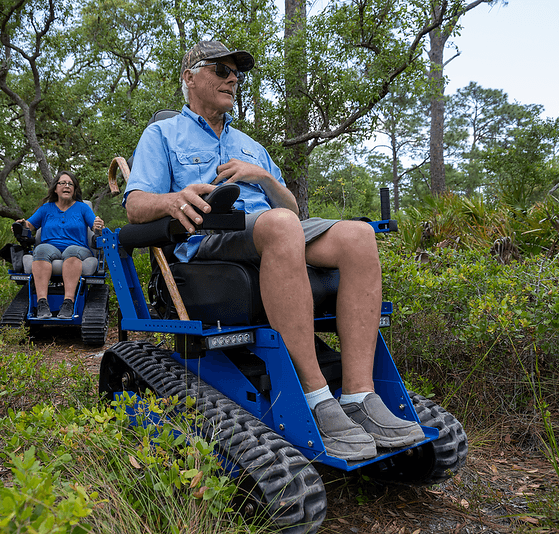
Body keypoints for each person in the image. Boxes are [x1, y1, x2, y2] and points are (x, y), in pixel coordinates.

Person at [123, 41, 425, 461]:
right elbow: (135, 204)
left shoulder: (249, 144)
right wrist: (173, 200)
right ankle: (317, 396)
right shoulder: (162, 134)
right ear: (189, 77)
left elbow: (291, 209)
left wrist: (263, 176)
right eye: (221, 69)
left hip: (272, 231)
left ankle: (358, 394)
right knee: (281, 227)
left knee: (358, 235)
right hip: (210, 242)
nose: (233, 78)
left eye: (237, 72)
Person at [15, 170, 104, 319]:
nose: (67, 186)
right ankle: (42, 303)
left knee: (71, 251)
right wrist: (23, 224)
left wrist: (98, 226)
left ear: (74, 189)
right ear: (56, 188)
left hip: (78, 248)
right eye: (63, 183)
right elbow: (29, 225)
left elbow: (95, 227)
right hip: (50, 247)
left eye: (70, 184)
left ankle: (68, 302)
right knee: (41, 250)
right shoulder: (46, 209)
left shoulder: (83, 208)